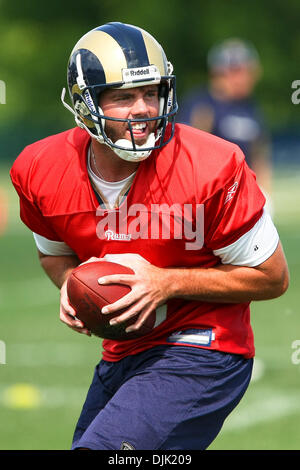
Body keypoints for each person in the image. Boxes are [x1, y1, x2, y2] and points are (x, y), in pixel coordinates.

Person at [10, 22, 289, 451]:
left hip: (205, 348)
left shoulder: (211, 165)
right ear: (86, 105)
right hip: (123, 351)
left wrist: (166, 282)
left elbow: (272, 277)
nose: (143, 107)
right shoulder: (41, 169)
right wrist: (71, 284)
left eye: (152, 92)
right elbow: (55, 256)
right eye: (123, 96)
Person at [178, 39, 273, 208]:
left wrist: (266, 193)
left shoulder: (250, 107)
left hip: (246, 192)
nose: (245, 78)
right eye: (237, 71)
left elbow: (259, 153)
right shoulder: (202, 105)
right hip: (213, 194)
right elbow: (188, 155)